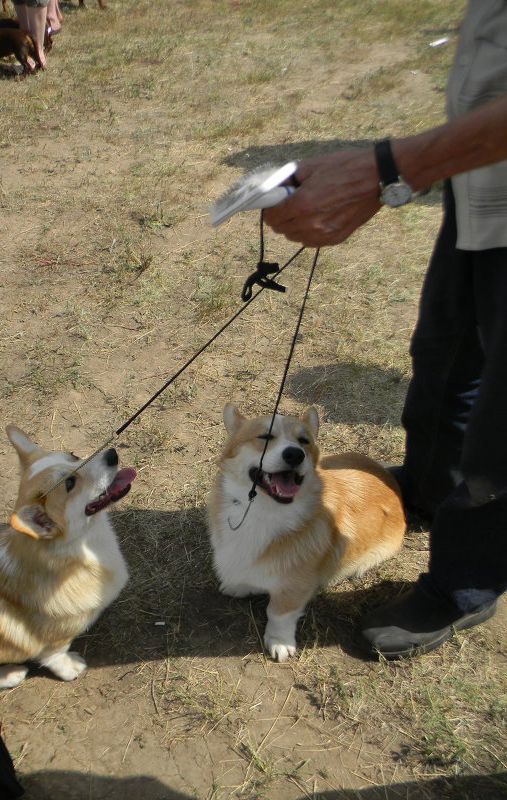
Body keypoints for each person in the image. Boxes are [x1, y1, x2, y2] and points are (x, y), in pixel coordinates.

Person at [263, 0, 507, 659]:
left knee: (503, 418)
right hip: (485, 180)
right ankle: (428, 489)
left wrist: (390, 168)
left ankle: (465, 585)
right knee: (447, 352)